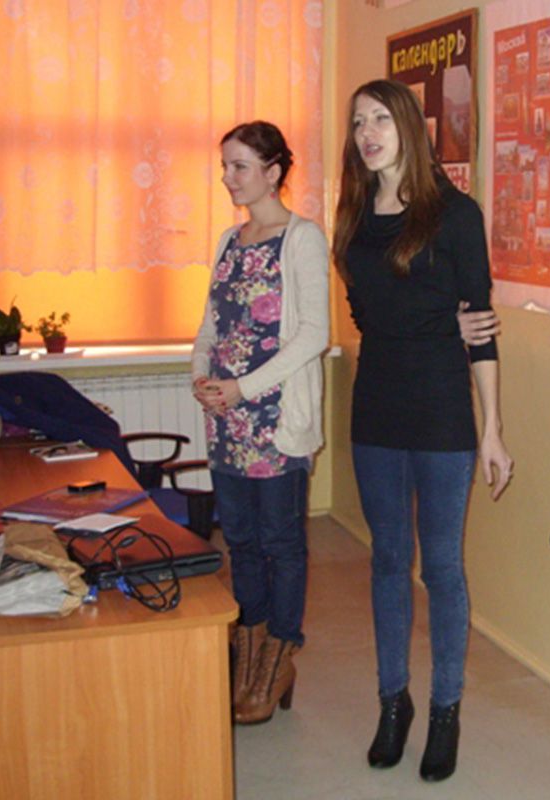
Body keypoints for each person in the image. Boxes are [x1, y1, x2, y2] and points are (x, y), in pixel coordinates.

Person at [332, 79, 513, 783]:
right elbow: (370, 318)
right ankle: (392, 703)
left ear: (409, 126)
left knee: (440, 567)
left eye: (380, 119)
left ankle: (444, 711)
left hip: (441, 410)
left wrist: (492, 430)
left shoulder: (455, 215)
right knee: (386, 561)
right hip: (376, 407)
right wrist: (441, 323)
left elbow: (482, 329)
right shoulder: (353, 218)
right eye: (358, 122)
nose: (368, 134)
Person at [191, 121, 329, 725]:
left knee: (280, 543)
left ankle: (279, 657)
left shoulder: (302, 239)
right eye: (225, 166)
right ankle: (247, 652)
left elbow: (314, 334)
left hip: (274, 422)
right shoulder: (230, 239)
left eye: (240, 166)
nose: (228, 177)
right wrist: (200, 375)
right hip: (226, 420)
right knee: (240, 541)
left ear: (273, 172)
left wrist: (242, 388)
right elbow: (211, 325)